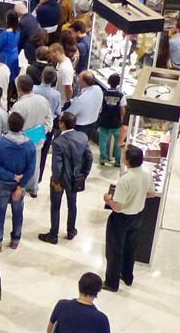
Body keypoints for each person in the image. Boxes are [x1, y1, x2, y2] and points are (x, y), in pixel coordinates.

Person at [102, 145, 153, 291]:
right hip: (137, 216)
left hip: (121, 219)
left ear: (128, 161)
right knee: (131, 249)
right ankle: (127, 276)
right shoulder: (146, 173)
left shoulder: (125, 180)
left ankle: (112, 282)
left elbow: (118, 207)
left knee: (114, 250)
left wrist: (107, 200)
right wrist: (138, 195)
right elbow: (151, 193)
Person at [40, 112, 92, 245]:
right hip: (75, 178)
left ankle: (53, 235)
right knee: (72, 205)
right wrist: (84, 175)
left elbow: (57, 165)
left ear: (62, 124)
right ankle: (70, 231)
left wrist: (56, 181)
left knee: (55, 207)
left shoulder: (58, 142)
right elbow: (89, 157)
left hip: (61, 179)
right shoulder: (82, 136)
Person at [0, 112, 36, 251]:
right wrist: (21, 185)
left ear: (8, 125)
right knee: (18, 212)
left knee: (0, 211)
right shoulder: (30, 146)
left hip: (2, 184)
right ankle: (15, 239)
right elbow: (31, 169)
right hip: (19, 187)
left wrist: (11, 176)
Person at [97, 73, 127, 167]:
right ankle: (117, 161)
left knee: (103, 139)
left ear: (108, 82)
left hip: (104, 120)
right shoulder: (121, 95)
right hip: (116, 122)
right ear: (118, 83)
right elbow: (122, 110)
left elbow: (99, 107)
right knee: (118, 141)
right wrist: (122, 121)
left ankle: (103, 158)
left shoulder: (103, 93)